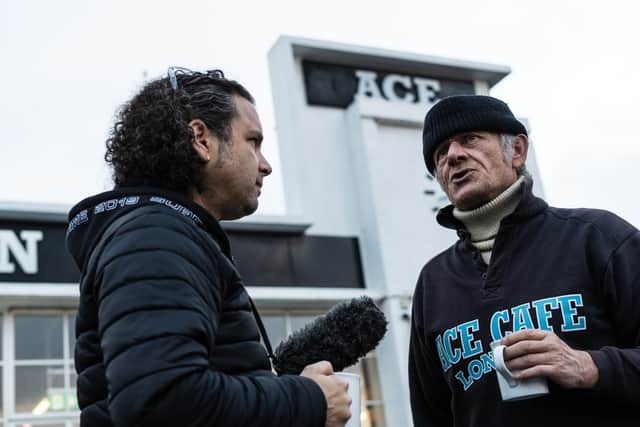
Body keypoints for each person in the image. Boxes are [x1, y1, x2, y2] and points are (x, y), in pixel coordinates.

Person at [66, 68, 351, 427]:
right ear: (201, 139)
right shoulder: (155, 237)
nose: (265, 166)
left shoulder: (165, 235)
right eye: (253, 141)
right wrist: (309, 400)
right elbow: (161, 401)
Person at [408, 95, 640, 426]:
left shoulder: (598, 237)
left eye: (469, 139)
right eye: (440, 152)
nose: (453, 155)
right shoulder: (434, 282)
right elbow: (431, 415)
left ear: (516, 150)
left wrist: (589, 366)